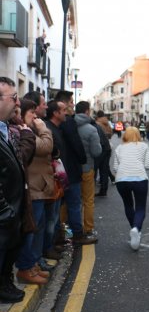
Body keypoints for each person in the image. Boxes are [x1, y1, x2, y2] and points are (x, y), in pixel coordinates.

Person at [14, 99, 55, 285]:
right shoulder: (24, 132)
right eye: (32, 113)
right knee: (30, 230)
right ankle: (26, 267)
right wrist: (43, 128)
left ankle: (31, 264)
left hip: (38, 186)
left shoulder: (29, 131)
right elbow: (46, 146)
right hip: (32, 188)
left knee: (35, 228)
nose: (36, 116)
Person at [52, 91, 96, 246]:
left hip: (57, 170)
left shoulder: (49, 123)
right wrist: (82, 159)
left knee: (59, 205)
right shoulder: (69, 122)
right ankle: (77, 234)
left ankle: (60, 235)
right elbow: (75, 143)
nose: (72, 105)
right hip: (70, 170)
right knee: (74, 203)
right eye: (71, 102)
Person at [0, 77, 27, 303]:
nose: (18, 103)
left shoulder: (5, 128)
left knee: (8, 255)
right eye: (14, 98)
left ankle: (5, 286)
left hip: (12, 209)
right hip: (4, 212)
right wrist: (5, 211)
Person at [113, 127, 149, 250]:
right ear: (138, 135)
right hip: (139, 178)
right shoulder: (143, 146)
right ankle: (136, 228)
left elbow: (115, 167)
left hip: (121, 179)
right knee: (140, 207)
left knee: (128, 205)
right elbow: (148, 164)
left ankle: (134, 229)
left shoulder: (119, 148)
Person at [74, 101, 102, 240]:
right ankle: (88, 228)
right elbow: (96, 152)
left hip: (71, 169)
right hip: (86, 169)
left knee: (71, 200)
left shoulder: (68, 125)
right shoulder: (91, 129)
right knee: (88, 200)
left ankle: (67, 228)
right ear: (86, 112)